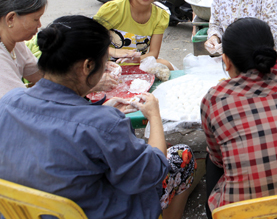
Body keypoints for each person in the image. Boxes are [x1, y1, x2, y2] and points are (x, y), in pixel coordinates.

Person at [0, 15, 196, 219]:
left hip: (25, 211)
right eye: (105, 63)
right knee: (182, 157)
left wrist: (100, 112)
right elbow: (152, 172)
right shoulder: (103, 124)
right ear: (87, 67)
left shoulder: (8, 102)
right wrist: (154, 117)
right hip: (100, 213)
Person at [201, 18, 277, 214]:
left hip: (243, 214)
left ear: (226, 61)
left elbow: (218, 159)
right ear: (272, 53)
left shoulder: (215, 99)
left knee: (212, 158)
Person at [94, 0, 174, 70]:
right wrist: (115, 52)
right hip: (105, 66)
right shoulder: (113, 9)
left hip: (137, 65)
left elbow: (154, 53)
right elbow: (88, 41)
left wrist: (136, 59)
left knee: (166, 65)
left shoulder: (160, 16)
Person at [0, 0, 47, 99]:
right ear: (11, 19)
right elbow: (18, 105)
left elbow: (41, 75)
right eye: (36, 19)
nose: (39, 25)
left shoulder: (16, 44)